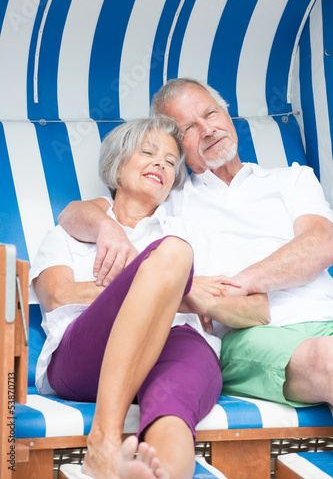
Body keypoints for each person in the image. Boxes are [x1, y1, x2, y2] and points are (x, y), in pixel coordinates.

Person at [58, 78, 333, 410]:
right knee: (327, 360)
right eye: (189, 128)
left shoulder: (292, 179)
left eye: (211, 113)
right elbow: (73, 213)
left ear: (227, 115)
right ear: (177, 147)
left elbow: (321, 242)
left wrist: (240, 284)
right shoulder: (170, 197)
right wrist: (107, 228)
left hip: (325, 315)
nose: (207, 129)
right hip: (249, 334)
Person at [30, 115, 269, 479]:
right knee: (173, 254)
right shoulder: (70, 232)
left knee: (174, 407)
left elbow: (258, 308)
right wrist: (178, 293)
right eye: (147, 152)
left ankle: (162, 474)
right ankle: (104, 442)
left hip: (176, 345)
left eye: (171, 162)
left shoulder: (192, 231)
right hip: (84, 356)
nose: (161, 163)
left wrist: (197, 298)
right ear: (116, 165)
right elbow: (59, 296)